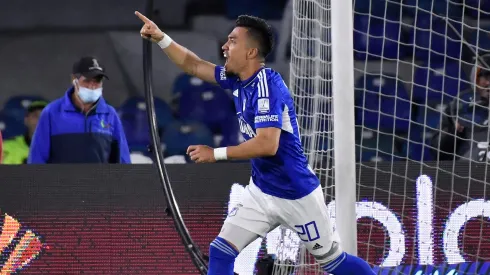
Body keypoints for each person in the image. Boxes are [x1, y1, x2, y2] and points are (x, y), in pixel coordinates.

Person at [135, 11, 374, 275]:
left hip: (297, 195)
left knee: (333, 263)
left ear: (251, 52)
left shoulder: (268, 87)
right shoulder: (238, 79)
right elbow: (194, 65)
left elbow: (267, 145)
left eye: (232, 41)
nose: (225, 47)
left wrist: (216, 153)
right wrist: (161, 38)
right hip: (261, 192)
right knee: (221, 251)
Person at [28, 56, 131, 164]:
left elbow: (122, 160)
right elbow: (37, 158)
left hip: (99, 181)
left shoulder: (110, 114)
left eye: (97, 81)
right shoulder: (51, 113)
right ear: (74, 80)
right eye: (87, 80)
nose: (92, 87)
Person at [430, 53, 490, 162]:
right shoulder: (460, 104)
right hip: (465, 172)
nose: (489, 83)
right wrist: (453, 131)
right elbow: (437, 151)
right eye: (486, 76)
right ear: (475, 78)